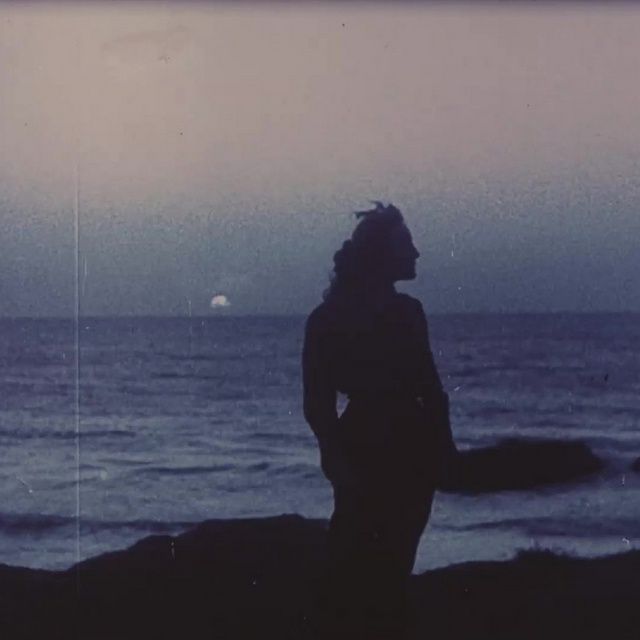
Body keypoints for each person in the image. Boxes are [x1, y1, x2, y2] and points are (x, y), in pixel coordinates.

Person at [302, 202, 455, 638]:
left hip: (388, 447)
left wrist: (444, 451)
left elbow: (431, 391)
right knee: (377, 566)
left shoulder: (344, 316)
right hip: (388, 448)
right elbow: (318, 403)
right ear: (381, 252)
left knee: (381, 564)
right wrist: (334, 455)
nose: (416, 252)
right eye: (406, 243)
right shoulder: (352, 317)